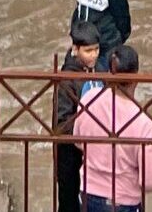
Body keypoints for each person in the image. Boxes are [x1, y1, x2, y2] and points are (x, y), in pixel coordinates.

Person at [75, 43, 152, 212]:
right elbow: (149, 182)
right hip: (124, 201)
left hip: (88, 194)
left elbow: (78, 141)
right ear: (136, 77)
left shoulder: (88, 100)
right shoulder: (142, 122)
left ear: (108, 74)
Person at [56, 16, 103, 212]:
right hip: (71, 156)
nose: (93, 55)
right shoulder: (66, 80)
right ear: (75, 49)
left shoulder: (100, 70)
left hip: (96, 154)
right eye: (88, 51)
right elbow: (61, 124)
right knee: (70, 203)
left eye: (96, 50)